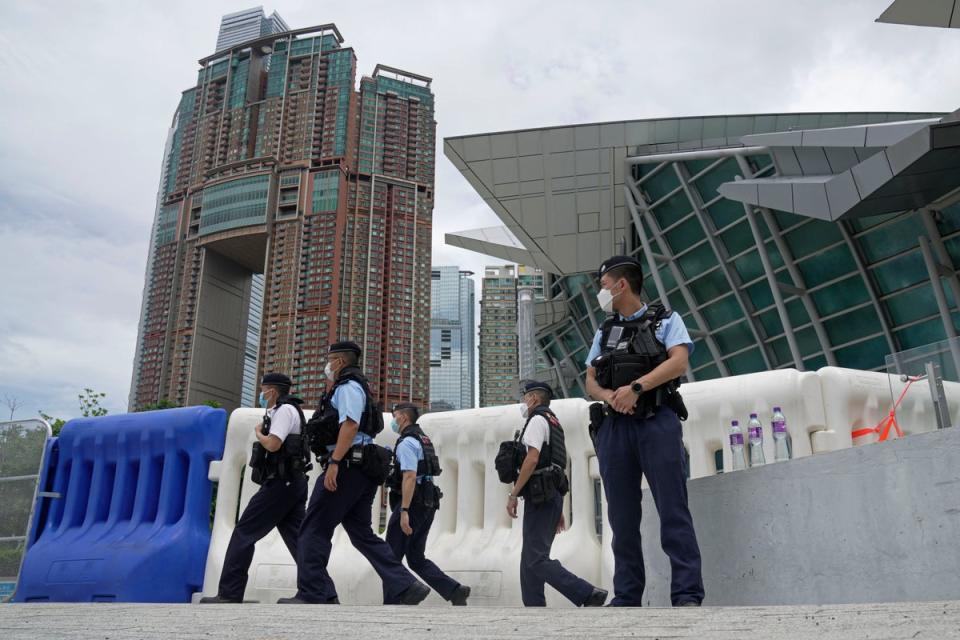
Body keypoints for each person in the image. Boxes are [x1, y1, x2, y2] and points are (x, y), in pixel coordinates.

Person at [584, 255, 705, 607]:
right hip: (614, 428)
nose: (600, 291)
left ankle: (686, 595)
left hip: (656, 422)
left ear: (621, 284)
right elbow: (590, 378)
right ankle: (627, 595)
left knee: (673, 510)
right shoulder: (604, 331)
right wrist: (611, 396)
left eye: (604, 284)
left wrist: (635, 389)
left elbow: (679, 361)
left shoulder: (666, 320)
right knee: (621, 518)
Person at [280, 341, 429, 605]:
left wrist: (335, 462)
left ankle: (314, 593)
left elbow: (350, 424)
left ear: (338, 362)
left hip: (346, 466)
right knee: (362, 533)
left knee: (312, 527)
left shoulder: (347, 387)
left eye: (329, 361)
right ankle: (406, 585)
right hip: (362, 468)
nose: (326, 367)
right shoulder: (358, 386)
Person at [200, 372, 308, 604]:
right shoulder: (285, 411)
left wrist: (259, 433)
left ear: (272, 391)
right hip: (291, 482)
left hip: (281, 483)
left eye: (263, 389)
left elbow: (274, 443)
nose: (261, 394)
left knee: (243, 533)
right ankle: (323, 592)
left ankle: (230, 593)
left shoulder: (284, 411)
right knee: (298, 539)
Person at [507, 380, 608, 608]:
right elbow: (556, 465)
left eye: (524, 397)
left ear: (533, 398)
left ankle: (587, 593)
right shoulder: (554, 422)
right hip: (550, 496)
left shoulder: (536, 421)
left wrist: (513, 494)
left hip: (540, 496)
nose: (523, 402)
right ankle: (534, 607)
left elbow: (532, 459)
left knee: (535, 558)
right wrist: (558, 508)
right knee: (529, 559)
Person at [383, 402, 471, 606]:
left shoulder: (406, 443)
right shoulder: (423, 439)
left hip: (412, 505)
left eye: (395, 415)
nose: (393, 420)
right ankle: (455, 591)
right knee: (415, 557)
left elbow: (410, 477)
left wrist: (404, 510)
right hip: (428, 503)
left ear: (404, 418)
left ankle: (392, 602)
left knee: (390, 556)